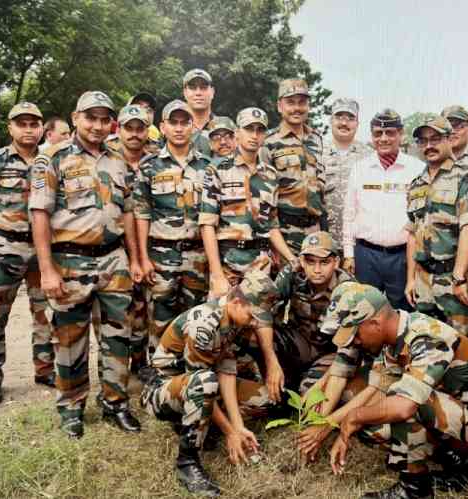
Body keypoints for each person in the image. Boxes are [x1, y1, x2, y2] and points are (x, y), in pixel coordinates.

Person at [312, 282, 468, 499]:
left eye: (356, 335)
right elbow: (379, 390)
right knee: (373, 428)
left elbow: (405, 406)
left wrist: (354, 417)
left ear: (375, 323)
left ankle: (414, 490)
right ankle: (457, 460)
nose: (356, 343)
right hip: (455, 415)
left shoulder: (427, 337)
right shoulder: (392, 340)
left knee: (404, 402)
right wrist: (342, 425)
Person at [29, 91, 142, 438]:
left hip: (114, 259)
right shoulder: (51, 159)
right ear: (76, 117)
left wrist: (135, 258)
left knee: (118, 337)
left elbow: (128, 211)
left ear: (111, 123)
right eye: (90, 117)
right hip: (70, 261)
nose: (96, 125)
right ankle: (72, 408)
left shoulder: (119, 161)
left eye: (103, 118)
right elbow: (39, 213)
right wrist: (47, 270)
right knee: (69, 338)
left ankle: (115, 404)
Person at [141, 270, 280, 496]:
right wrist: (230, 433)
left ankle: (204, 423)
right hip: (163, 391)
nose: (255, 323)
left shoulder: (236, 318)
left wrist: (237, 426)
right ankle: (187, 462)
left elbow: (226, 371)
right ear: (236, 302)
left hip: (201, 381)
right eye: (253, 316)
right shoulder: (204, 323)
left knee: (263, 399)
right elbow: (202, 381)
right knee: (205, 382)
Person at [0, 102, 55, 406]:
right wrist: (2, 234)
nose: (29, 129)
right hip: (4, 251)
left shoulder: (51, 160)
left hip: (43, 250)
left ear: (42, 127)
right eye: (22, 124)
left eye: (34, 124)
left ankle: (45, 369)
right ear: (10, 128)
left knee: (44, 313)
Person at [405, 115, 468, 348]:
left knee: (464, 348)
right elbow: (412, 233)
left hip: (457, 280)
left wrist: (459, 277)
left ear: (449, 139)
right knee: (429, 347)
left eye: (435, 139)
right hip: (424, 282)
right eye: (422, 141)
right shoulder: (416, 184)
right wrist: (411, 279)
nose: (428, 145)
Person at [134, 100, 210, 350]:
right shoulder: (148, 167)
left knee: (196, 317)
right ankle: (159, 375)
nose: (179, 128)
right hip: (161, 255)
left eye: (184, 122)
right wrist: (144, 258)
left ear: (192, 127)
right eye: (173, 122)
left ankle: (190, 376)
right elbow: (142, 214)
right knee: (159, 318)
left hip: (197, 256)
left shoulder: (207, 167)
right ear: (162, 127)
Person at [201, 107, 297, 298]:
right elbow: (207, 225)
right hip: (229, 264)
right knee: (225, 323)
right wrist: (217, 275)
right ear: (237, 133)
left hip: (260, 266)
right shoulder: (217, 170)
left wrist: (292, 258)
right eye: (249, 129)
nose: (254, 135)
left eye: (259, 130)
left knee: (258, 323)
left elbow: (272, 226)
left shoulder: (270, 175)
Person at [342, 109, 422, 311]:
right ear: (371, 136)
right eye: (378, 133)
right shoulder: (360, 168)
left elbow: (421, 220)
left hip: (402, 257)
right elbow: (350, 213)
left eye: (390, 133)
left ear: (400, 134)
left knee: (404, 313)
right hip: (366, 255)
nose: (384, 138)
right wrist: (349, 253)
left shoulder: (417, 169)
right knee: (366, 313)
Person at [98, 105, 153, 377]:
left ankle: (141, 363)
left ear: (147, 129)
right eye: (128, 128)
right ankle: (113, 371)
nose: (134, 134)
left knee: (144, 307)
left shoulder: (156, 158)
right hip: (114, 248)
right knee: (117, 312)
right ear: (118, 129)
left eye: (139, 128)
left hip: (148, 245)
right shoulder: (106, 157)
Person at [270, 231, 354, 392]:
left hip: (329, 352)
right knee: (253, 337)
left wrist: (332, 374)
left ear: (336, 262)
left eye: (324, 262)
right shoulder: (292, 274)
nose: (316, 269)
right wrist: (271, 362)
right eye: (310, 262)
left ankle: (301, 382)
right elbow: (266, 311)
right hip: (298, 342)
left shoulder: (347, 288)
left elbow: (352, 344)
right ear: (302, 261)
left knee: (308, 391)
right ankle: (271, 379)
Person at [259, 78, 326, 254]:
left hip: (315, 231)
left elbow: (321, 188)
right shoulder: (268, 143)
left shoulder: (317, 139)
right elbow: (263, 202)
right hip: (283, 234)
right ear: (280, 106)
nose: (297, 108)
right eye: (290, 102)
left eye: (302, 102)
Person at [321, 98, 370, 248]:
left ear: (357, 123)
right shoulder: (316, 153)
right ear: (331, 120)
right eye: (339, 117)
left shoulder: (369, 157)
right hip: (324, 242)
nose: (344, 123)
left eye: (350, 118)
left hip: (359, 243)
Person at [183, 68, 216, 156]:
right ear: (185, 93)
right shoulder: (175, 129)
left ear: (212, 92)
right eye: (193, 88)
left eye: (203, 88)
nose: (198, 93)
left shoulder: (226, 128)